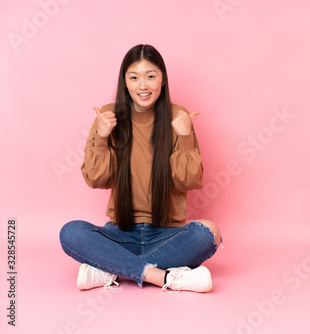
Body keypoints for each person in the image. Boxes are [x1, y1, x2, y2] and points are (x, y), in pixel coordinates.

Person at [59, 44, 221, 293]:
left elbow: (187, 181)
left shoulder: (179, 117)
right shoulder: (108, 116)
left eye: (151, 76)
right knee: (71, 232)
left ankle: (111, 269)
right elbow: (95, 179)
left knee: (209, 233)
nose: (142, 86)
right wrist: (102, 138)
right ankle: (164, 277)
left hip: (167, 234)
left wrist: (185, 136)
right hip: (121, 233)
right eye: (134, 77)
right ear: (125, 82)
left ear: (163, 79)